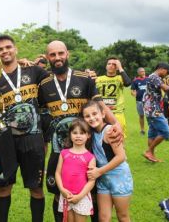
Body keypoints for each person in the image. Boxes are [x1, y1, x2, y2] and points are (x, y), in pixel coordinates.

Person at [38, 40, 122, 222]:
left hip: (86, 149)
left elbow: (100, 105)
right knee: (58, 192)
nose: (57, 58)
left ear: (67, 53)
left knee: (91, 190)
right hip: (59, 150)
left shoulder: (84, 78)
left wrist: (116, 124)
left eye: (60, 53)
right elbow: (42, 118)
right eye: (52, 55)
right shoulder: (43, 84)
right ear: (47, 57)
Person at [0, 35, 49, 222]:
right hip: (5, 140)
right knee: (4, 187)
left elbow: (57, 82)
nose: (5, 51)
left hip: (32, 138)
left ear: (15, 49)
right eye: (0, 49)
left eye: (8, 47)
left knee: (36, 187)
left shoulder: (33, 71)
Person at [83, 100, 133, 222]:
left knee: (123, 216)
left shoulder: (110, 131)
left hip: (119, 178)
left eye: (95, 114)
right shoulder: (92, 133)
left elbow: (121, 157)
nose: (92, 118)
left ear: (103, 114)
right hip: (104, 180)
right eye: (87, 116)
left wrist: (99, 171)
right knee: (103, 217)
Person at [55, 119, 96, 222]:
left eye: (82, 133)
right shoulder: (64, 153)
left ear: (88, 135)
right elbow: (57, 173)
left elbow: (91, 181)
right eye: (75, 133)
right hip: (66, 196)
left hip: (81, 197)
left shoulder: (90, 157)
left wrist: (80, 196)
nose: (78, 136)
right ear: (70, 134)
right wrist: (62, 190)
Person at [142, 62, 169, 162]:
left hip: (150, 108)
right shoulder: (154, 77)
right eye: (167, 72)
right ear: (162, 69)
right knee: (166, 132)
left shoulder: (154, 77)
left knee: (152, 133)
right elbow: (166, 88)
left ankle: (151, 155)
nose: (166, 75)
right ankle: (149, 151)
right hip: (153, 109)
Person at [95, 57, 131, 138]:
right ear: (106, 66)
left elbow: (128, 83)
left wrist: (120, 67)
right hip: (102, 113)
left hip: (117, 113)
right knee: (102, 139)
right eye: (109, 64)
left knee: (119, 139)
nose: (111, 66)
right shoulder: (98, 79)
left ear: (117, 67)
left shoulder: (120, 78)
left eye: (114, 64)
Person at [131, 67, 148, 135]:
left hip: (148, 101)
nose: (143, 72)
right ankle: (142, 130)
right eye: (141, 71)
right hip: (139, 101)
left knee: (150, 116)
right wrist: (133, 93)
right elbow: (132, 90)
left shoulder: (148, 79)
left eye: (143, 71)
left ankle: (152, 130)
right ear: (138, 73)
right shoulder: (135, 81)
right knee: (141, 115)